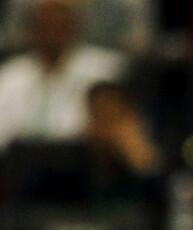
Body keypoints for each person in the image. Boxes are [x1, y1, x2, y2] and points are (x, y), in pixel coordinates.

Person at [0, 0, 125, 150]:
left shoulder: (104, 72)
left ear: (75, 27)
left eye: (60, 25)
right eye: (45, 26)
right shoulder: (10, 76)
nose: (52, 33)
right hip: (16, 163)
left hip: (82, 163)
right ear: (31, 30)